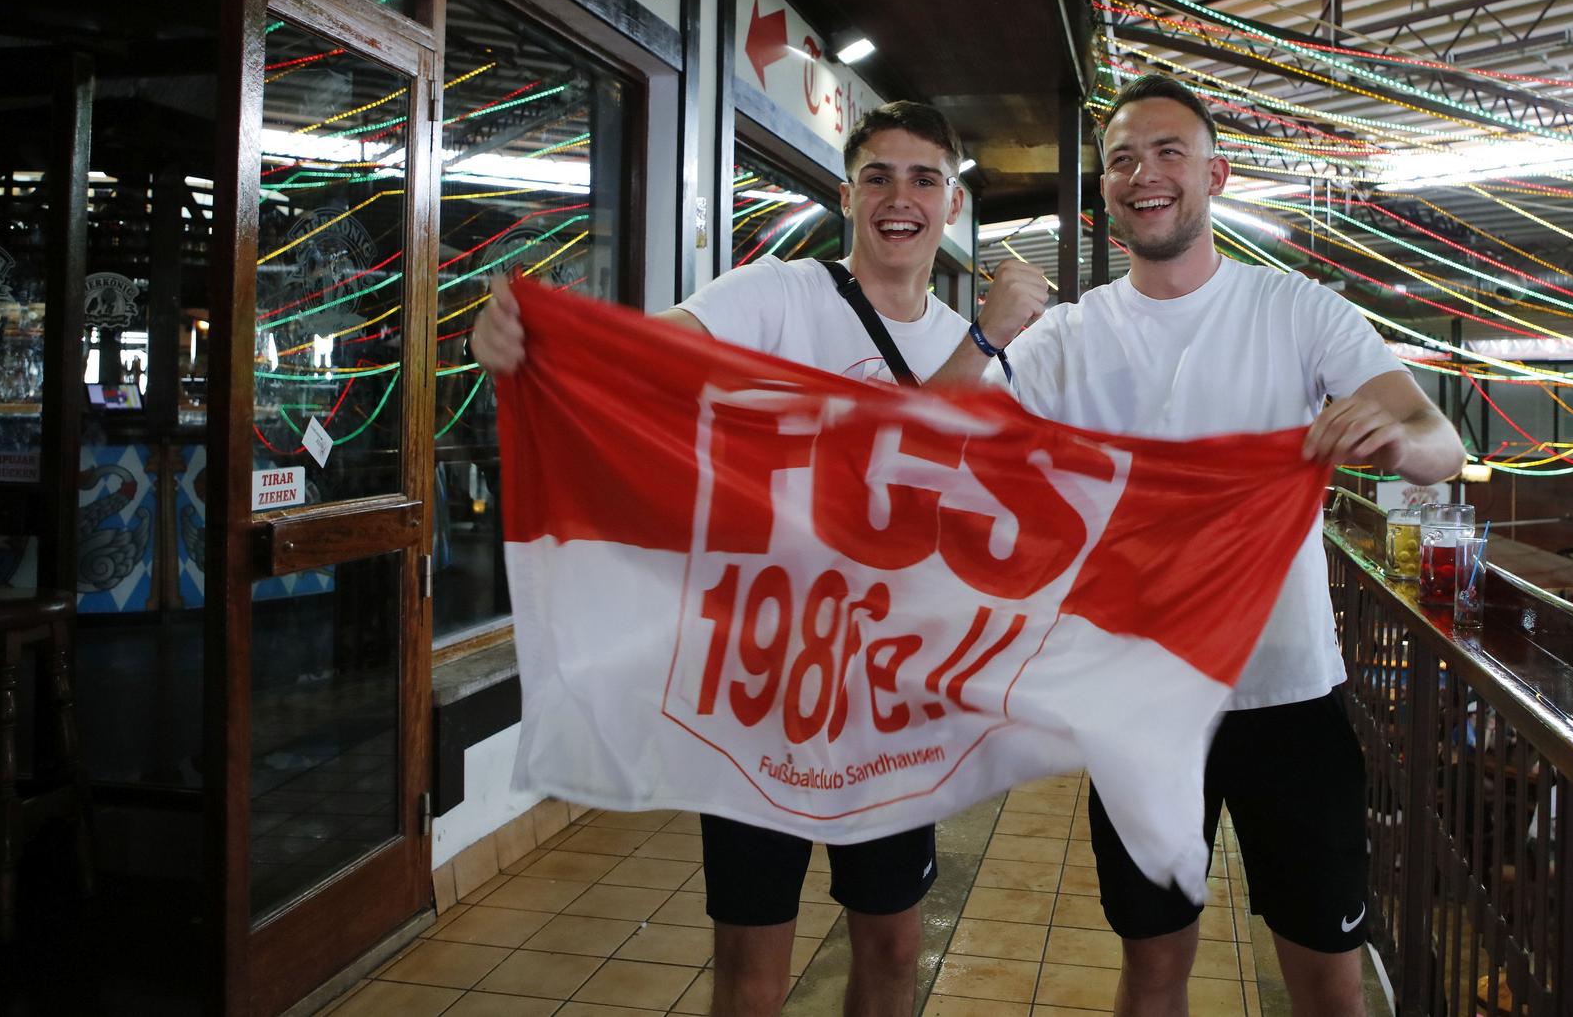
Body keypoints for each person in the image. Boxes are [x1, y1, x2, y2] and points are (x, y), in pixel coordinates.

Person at [931, 74, 1463, 1017]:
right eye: (1123, 159)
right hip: (1139, 698)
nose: (1146, 173)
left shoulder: (1300, 313)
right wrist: (986, 334)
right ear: (1105, 191)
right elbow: (932, 442)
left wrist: (1389, 440)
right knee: (1153, 968)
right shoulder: (1067, 337)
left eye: (1169, 151)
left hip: (1286, 689)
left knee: (1327, 979)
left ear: (1214, 173)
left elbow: (1440, 444)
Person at [472, 101, 983, 1017]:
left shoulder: (969, 347)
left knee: (896, 947)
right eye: (877, 176)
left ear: (951, 200)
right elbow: (646, 355)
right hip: (763, 690)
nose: (898, 198)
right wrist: (534, 343)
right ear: (846, 194)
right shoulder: (780, 297)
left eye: (922, 178)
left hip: (892, 697)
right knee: (751, 965)